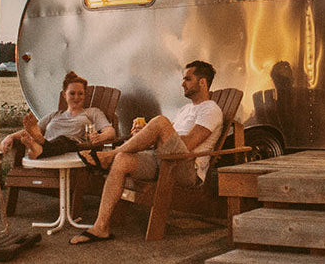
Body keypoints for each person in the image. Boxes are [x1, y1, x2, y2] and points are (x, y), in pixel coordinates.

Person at [70, 60, 223, 244]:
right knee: (123, 159)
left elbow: (189, 144)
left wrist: (155, 133)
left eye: (187, 79)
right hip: (164, 159)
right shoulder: (185, 109)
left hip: (187, 167)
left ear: (203, 82)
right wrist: (144, 135)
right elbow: (168, 138)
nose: (182, 83)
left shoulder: (211, 109)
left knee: (159, 122)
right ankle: (101, 227)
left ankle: (107, 155)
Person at [0, 71, 116, 159]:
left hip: (72, 149)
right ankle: (39, 146)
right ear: (64, 95)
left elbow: (110, 131)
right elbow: (31, 130)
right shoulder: (54, 115)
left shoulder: (92, 112)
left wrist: (101, 137)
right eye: (72, 93)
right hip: (49, 152)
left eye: (80, 94)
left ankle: (38, 146)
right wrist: (10, 137)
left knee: (63, 140)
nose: (76, 97)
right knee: (37, 135)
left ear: (85, 95)